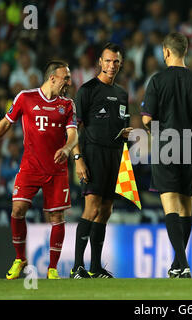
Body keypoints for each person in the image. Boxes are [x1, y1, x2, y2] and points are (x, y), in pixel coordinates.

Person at [0, 60, 77, 280]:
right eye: (66, 78)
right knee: (17, 210)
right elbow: (5, 123)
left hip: (57, 169)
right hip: (30, 167)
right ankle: (19, 259)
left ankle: (52, 268)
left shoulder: (68, 104)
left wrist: (67, 147)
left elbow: (73, 134)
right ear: (52, 78)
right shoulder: (25, 97)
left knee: (56, 216)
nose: (69, 82)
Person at [141, 32, 192, 279]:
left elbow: (146, 119)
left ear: (166, 51)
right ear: (185, 51)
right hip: (190, 145)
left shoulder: (156, 80)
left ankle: (181, 263)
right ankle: (178, 264)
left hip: (165, 145)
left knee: (171, 207)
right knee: (186, 209)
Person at [70, 42, 133, 279]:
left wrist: (127, 132)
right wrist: (78, 159)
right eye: (108, 61)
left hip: (116, 155)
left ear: (121, 63)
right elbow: (73, 128)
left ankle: (95, 267)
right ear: (100, 62)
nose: (112, 65)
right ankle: (77, 266)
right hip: (93, 154)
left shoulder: (122, 94)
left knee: (106, 210)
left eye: (116, 61)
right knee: (92, 207)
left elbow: (122, 124)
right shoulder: (87, 90)